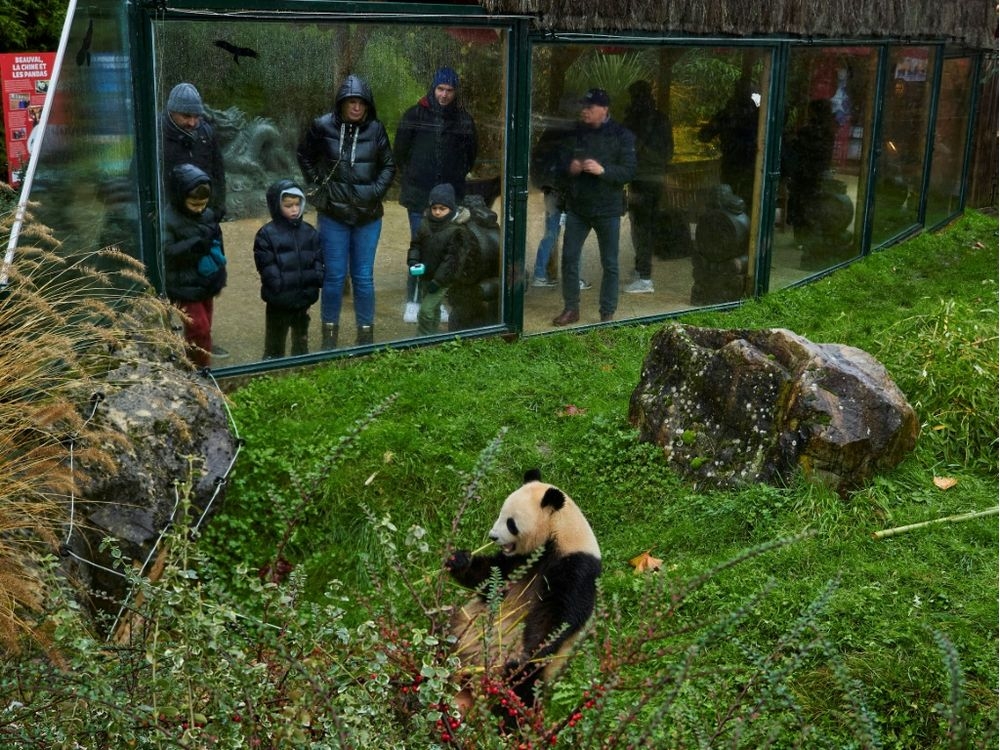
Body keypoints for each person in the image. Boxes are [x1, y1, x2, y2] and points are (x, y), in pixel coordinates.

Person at [297, 74, 396, 348]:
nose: (356, 107)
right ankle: (329, 335)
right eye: (351, 101)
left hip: (368, 216)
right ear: (341, 102)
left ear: (368, 105)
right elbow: (304, 155)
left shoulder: (376, 129)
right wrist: (319, 184)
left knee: (363, 277)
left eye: (361, 103)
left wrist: (374, 191)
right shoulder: (322, 125)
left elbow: (389, 165)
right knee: (334, 276)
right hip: (333, 214)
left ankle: (365, 335)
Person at [394, 66, 478, 322]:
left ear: (455, 92)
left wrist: (453, 182)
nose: (444, 95)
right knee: (420, 247)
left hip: (450, 197)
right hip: (419, 195)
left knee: (446, 250)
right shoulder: (415, 114)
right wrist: (415, 176)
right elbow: (400, 152)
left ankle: (436, 300)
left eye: (449, 90)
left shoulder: (463, 120)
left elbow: (470, 157)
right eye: (440, 89)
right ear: (433, 88)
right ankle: (413, 299)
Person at [551, 88, 636, 326]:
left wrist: (603, 171)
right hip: (578, 208)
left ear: (604, 109)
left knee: (609, 263)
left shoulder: (622, 135)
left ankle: (607, 313)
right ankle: (571, 309)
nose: (584, 111)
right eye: (583, 106)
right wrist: (571, 167)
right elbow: (559, 164)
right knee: (569, 258)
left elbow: (630, 171)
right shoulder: (575, 132)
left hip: (607, 209)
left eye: (590, 107)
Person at [161, 82, 230, 359]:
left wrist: (217, 208)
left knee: (205, 279)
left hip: (203, 214)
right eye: (186, 116)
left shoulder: (205, 133)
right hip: (172, 222)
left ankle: (201, 342)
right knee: (175, 286)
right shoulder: (157, 134)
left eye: (196, 116)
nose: (192, 122)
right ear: (172, 112)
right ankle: (179, 344)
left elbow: (218, 171)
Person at [162, 163, 227, 368]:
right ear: (180, 197)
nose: (199, 208)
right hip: (182, 284)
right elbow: (166, 253)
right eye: (194, 204)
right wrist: (196, 245)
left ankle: (197, 364)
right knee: (199, 329)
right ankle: (199, 369)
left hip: (206, 278)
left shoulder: (208, 214)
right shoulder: (168, 219)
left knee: (204, 326)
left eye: (203, 204)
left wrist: (219, 268)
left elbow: (217, 243)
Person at [252, 179, 324, 359]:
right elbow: (266, 265)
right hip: (279, 300)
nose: (294, 210)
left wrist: (316, 277)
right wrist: (278, 285)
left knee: (301, 339)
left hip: (304, 296)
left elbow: (318, 257)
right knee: (275, 341)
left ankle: (300, 364)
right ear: (277, 206)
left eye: (297, 204)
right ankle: (271, 366)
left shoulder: (309, 232)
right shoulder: (266, 234)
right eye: (288, 205)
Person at [622, 80, 673, 294]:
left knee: (640, 226)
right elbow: (669, 152)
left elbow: (627, 146)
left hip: (641, 178)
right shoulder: (662, 118)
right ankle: (641, 270)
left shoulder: (636, 118)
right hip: (657, 178)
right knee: (647, 225)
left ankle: (644, 276)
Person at [405, 183, 474, 336]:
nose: (437, 212)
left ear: (451, 208)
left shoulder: (458, 231)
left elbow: (453, 261)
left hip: (443, 279)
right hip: (426, 274)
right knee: (433, 309)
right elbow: (415, 245)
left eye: (442, 209)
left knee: (425, 311)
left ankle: (422, 338)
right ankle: (432, 337)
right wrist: (413, 261)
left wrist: (438, 281)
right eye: (434, 208)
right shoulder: (425, 224)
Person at [698, 76, 760, 207]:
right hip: (743, 166)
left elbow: (704, 135)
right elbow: (704, 135)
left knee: (734, 201)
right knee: (740, 202)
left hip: (738, 165)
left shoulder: (731, 114)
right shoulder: (755, 115)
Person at [529, 115, 572, 288]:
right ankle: (572, 277)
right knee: (572, 234)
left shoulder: (548, 138)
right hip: (562, 191)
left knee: (551, 233)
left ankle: (540, 274)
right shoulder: (567, 138)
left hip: (551, 190)